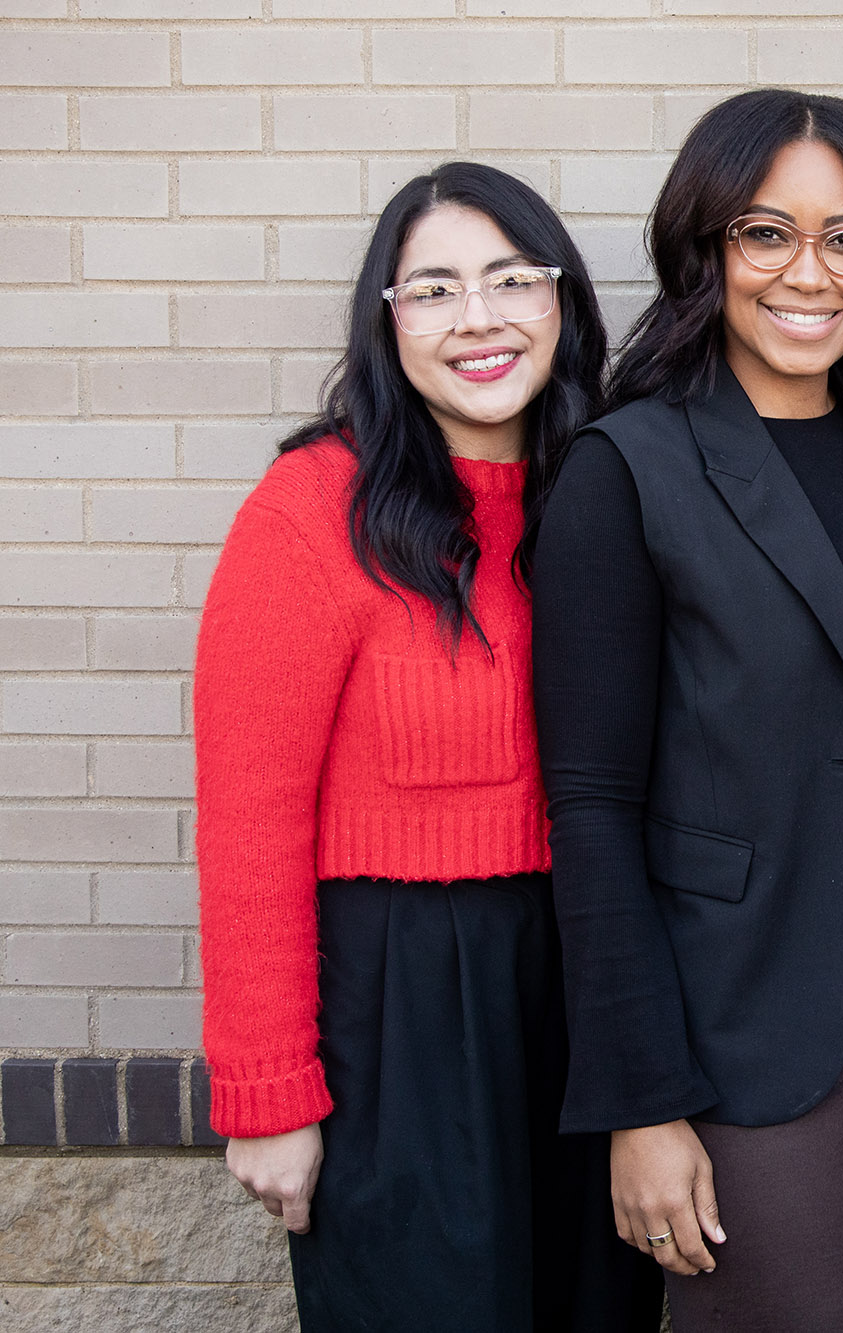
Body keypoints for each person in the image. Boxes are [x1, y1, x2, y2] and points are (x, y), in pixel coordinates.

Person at [196, 162, 660, 1330]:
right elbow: (249, 819)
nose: (480, 319)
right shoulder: (313, 510)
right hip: (398, 1003)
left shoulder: (604, 491)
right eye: (435, 290)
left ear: (564, 305)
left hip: (585, 980)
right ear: (385, 318)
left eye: (513, 279)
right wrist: (267, 1092)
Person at [530, 89, 843, 1333]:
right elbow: (593, 809)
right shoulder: (628, 470)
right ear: (705, 246)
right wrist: (638, 1099)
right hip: (735, 997)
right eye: (765, 233)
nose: (807, 273)